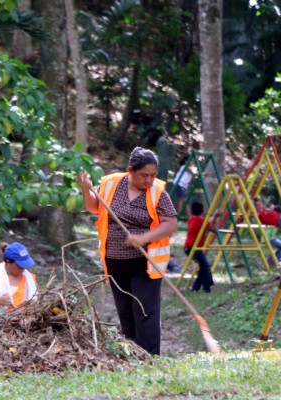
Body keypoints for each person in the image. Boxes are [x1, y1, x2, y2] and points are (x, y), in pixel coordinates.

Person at [78, 147, 178, 356]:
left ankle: (150, 357)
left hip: (145, 262)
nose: (149, 180)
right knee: (125, 311)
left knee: (144, 311)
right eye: (144, 175)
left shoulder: (157, 192)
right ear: (130, 170)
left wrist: (143, 238)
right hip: (114, 260)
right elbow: (94, 207)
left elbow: (170, 224)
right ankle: (131, 355)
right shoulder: (111, 184)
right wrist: (86, 189)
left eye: (153, 175)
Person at [183, 201, 221, 293]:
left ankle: (197, 287)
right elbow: (213, 229)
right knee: (206, 266)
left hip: (188, 247)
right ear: (203, 211)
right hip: (194, 248)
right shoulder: (200, 221)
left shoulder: (192, 219)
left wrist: (214, 217)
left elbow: (207, 223)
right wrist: (215, 217)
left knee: (203, 266)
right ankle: (207, 286)